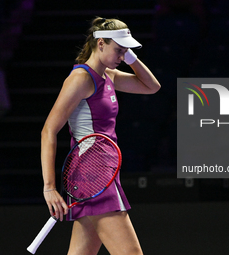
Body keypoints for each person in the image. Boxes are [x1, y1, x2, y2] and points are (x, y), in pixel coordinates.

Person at [41, 17, 161, 254]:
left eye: (124, 51)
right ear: (101, 44)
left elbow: (152, 86)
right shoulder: (81, 79)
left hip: (103, 171)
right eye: (118, 50)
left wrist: (130, 57)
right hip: (92, 173)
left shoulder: (109, 76)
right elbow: (48, 130)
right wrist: (49, 187)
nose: (121, 56)